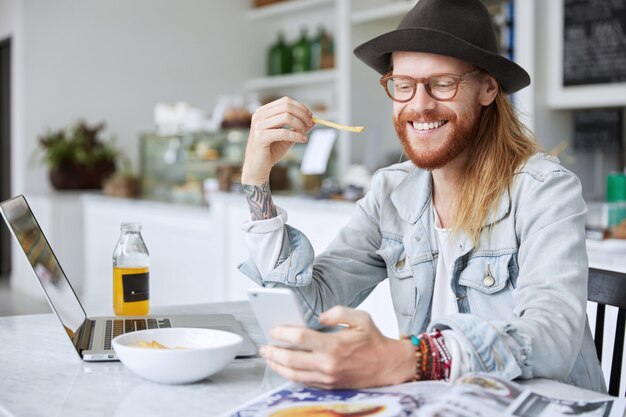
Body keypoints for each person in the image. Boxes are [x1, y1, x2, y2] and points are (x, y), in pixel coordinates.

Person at [238, 0, 606, 392]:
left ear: (487, 88)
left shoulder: (545, 190)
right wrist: (257, 179)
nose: (419, 104)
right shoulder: (391, 192)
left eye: (443, 83)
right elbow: (306, 307)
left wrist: (412, 357)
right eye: (404, 84)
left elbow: (551, 338)